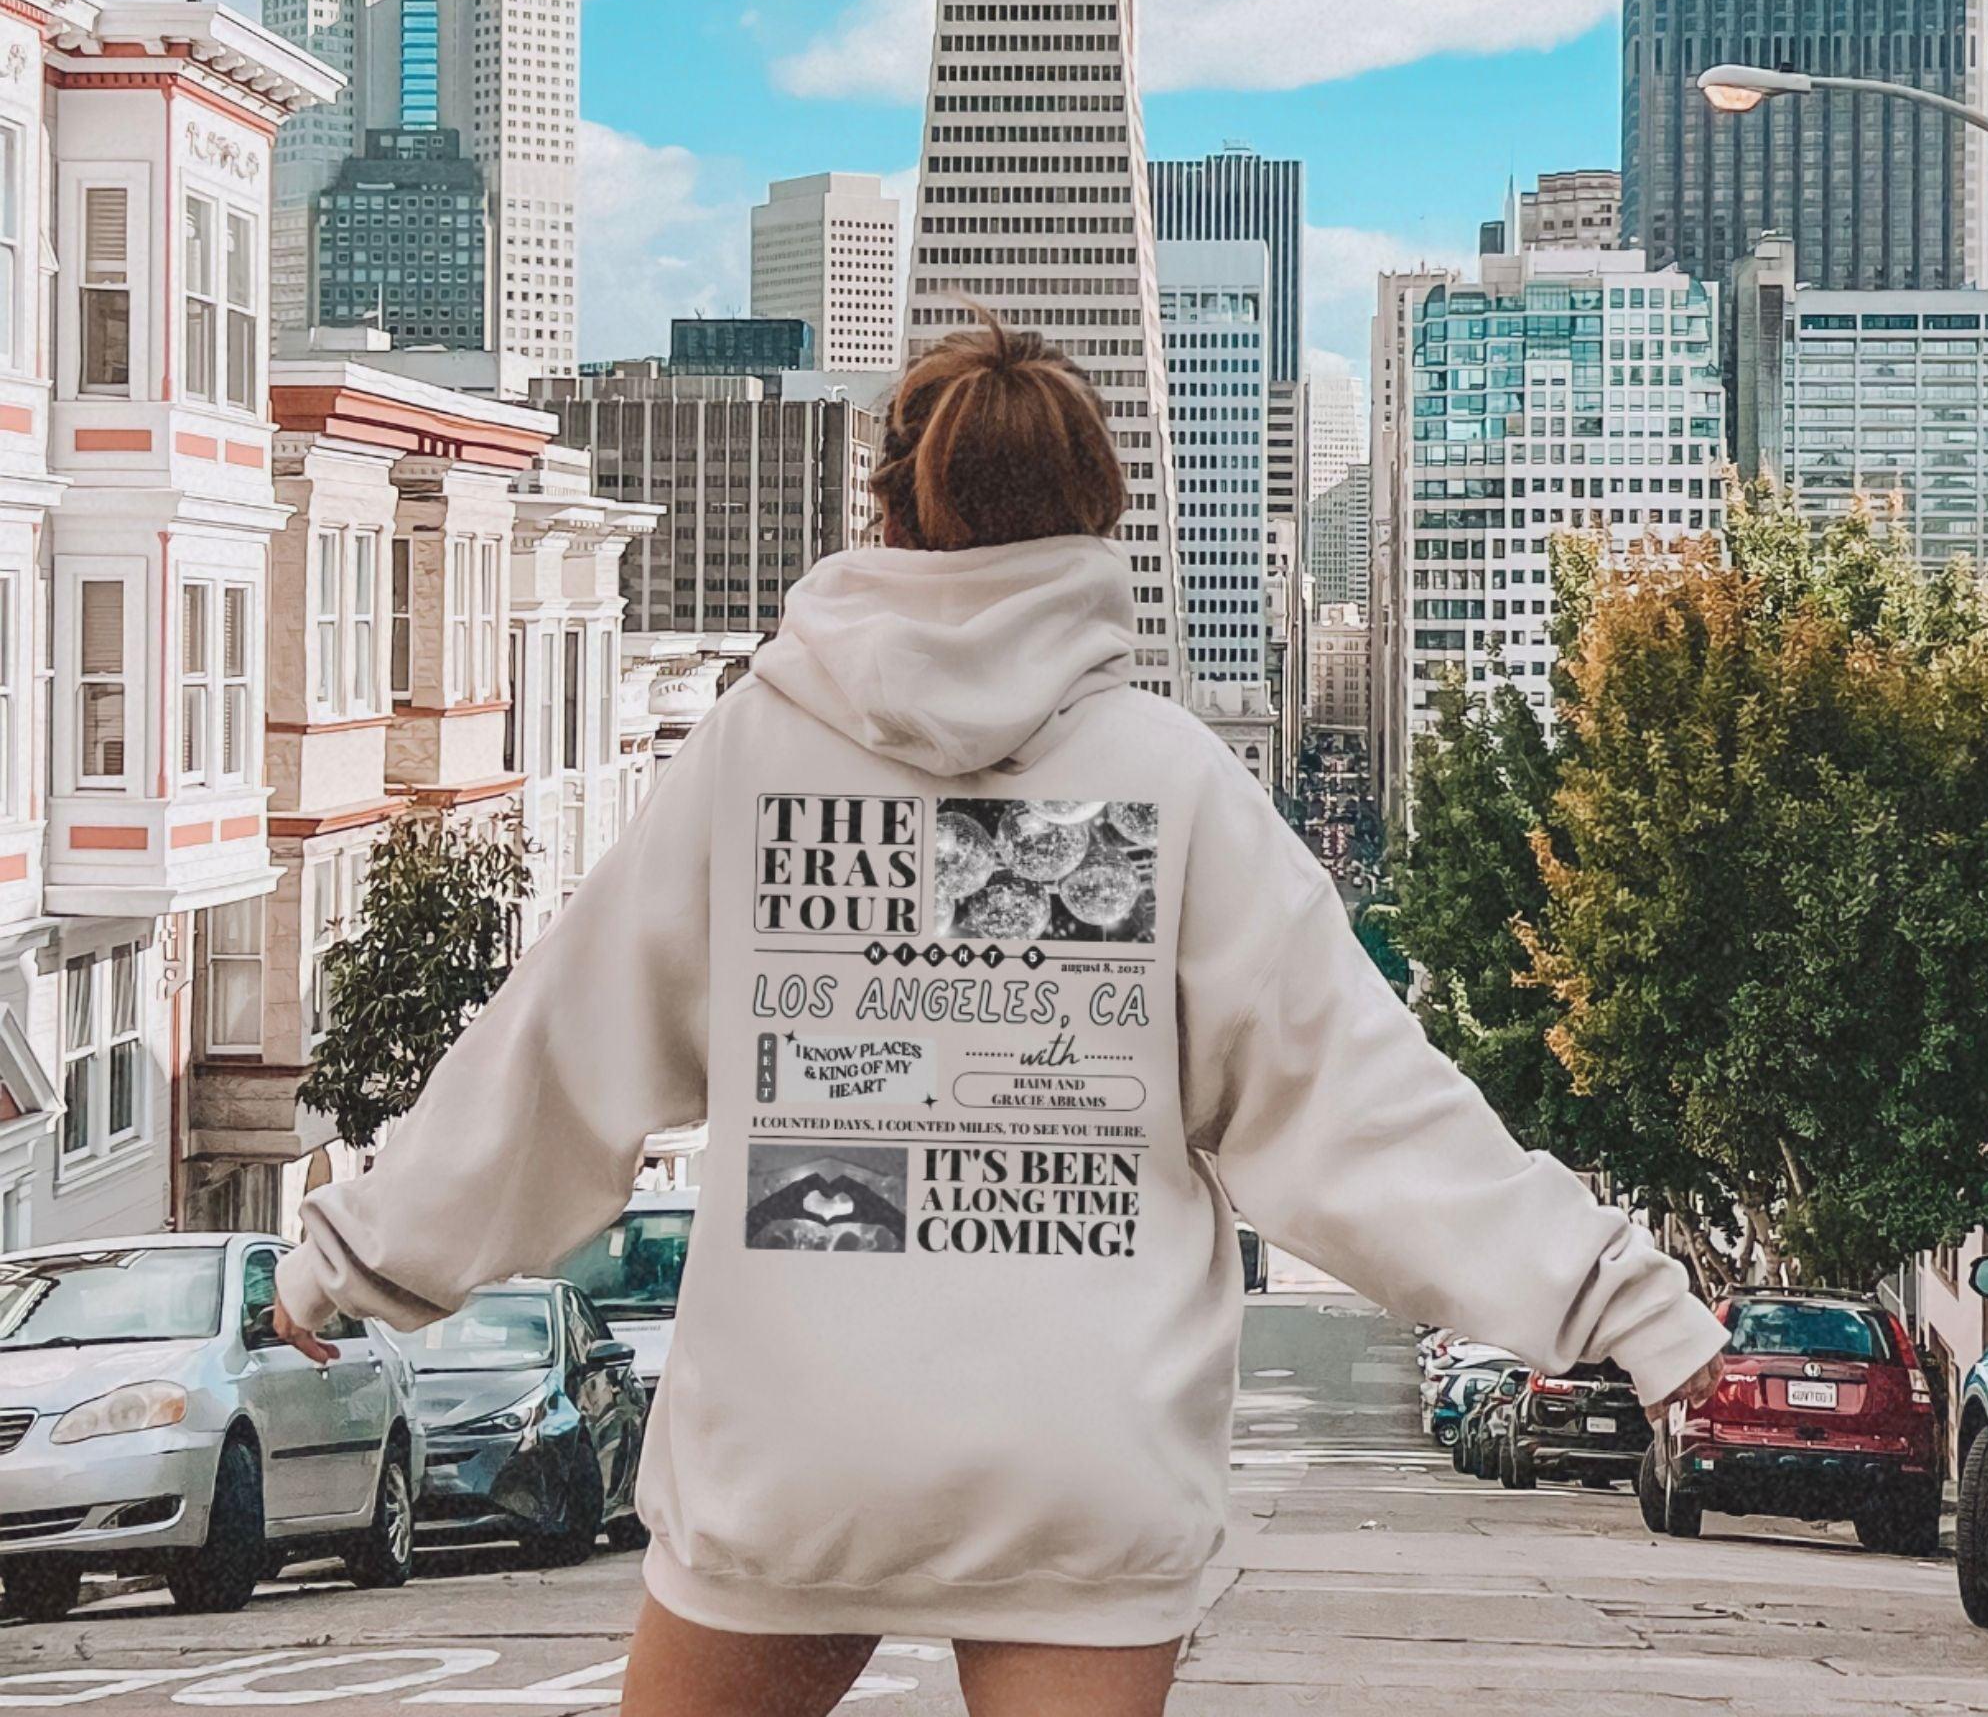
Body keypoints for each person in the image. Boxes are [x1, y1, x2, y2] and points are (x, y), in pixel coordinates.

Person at [275, 315, 1727, 1717]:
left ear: (890, 516)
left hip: (797, 1448)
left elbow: (561, 1054)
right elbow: (1359, 1108)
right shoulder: (1169, 780)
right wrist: (1630, 1306)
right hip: (1077, 1462)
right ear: (1101, 527)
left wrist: (356, 1252)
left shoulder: (757, 756)